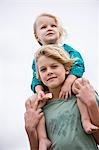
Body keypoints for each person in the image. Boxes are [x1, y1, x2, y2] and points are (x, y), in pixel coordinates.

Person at [25, 45, 99, 150]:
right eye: (43, 69)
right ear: (39, 77)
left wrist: (91, 103)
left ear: (67, 69)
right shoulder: (38, 108)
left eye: (54, 66)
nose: (49, 72)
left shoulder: (84, 94)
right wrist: (30, 129)